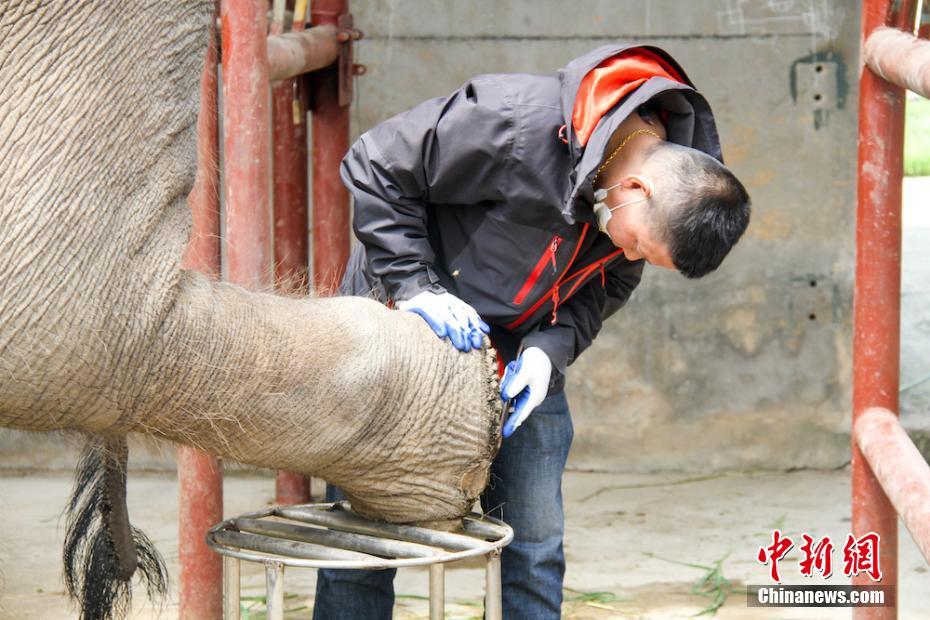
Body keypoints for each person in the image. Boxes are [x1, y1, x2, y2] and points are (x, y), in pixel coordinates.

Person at [314, 44, 751, 619]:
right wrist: (415, 285)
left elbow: (606, 287)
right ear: (637, 189)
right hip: (406, 324)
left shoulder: (649, 199)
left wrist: (550, 351)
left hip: (518, 353)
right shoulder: (514, 122)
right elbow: (375, 165)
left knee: (536, 543)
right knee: (364, 536)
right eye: (638, 244)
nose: (628, 254)